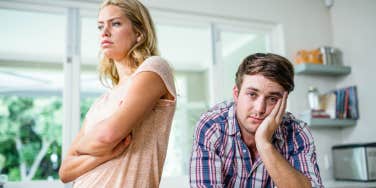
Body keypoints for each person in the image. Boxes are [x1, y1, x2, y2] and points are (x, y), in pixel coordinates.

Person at [58, 0, 176, 187]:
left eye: (115, 23)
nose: (104, 32)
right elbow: (65, 172)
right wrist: (104, 154)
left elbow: (108, 135)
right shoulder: (100, 102)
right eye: (100, 26)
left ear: (139, 33)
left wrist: (82, 148)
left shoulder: (155, 69)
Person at [190, 53, 323, 188]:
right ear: (236, 94)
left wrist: (264, 144)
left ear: (284, 102)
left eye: (272, 99)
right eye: (252, 94)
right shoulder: (212, 126)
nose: (260, 109)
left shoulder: (297, 132)